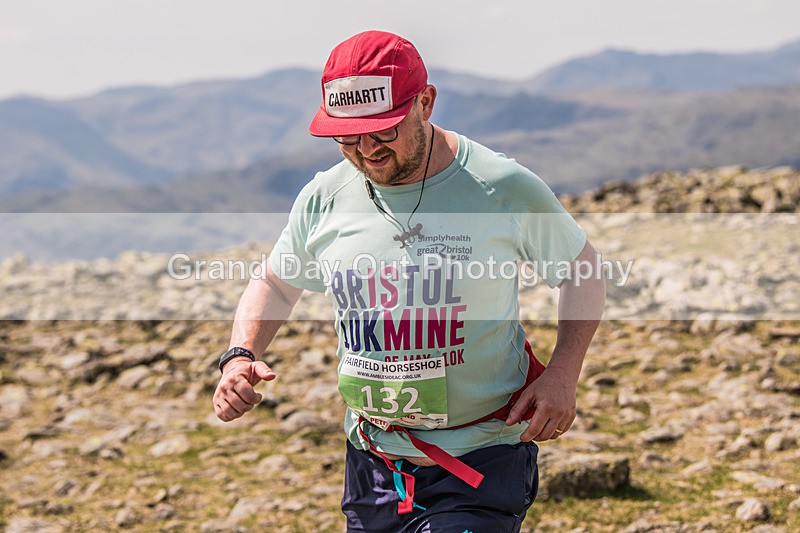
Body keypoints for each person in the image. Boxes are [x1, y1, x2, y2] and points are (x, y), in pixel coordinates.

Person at [213, 30, 605, 532]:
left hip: (483, 458)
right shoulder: (325, 196)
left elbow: (582, 270)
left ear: (425, 102)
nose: (365, 150)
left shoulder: (499, 186)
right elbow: (276, 282)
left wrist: (563, 374)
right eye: (348, 136)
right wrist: (240, 355)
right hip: (374, 461)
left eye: (383, 131)